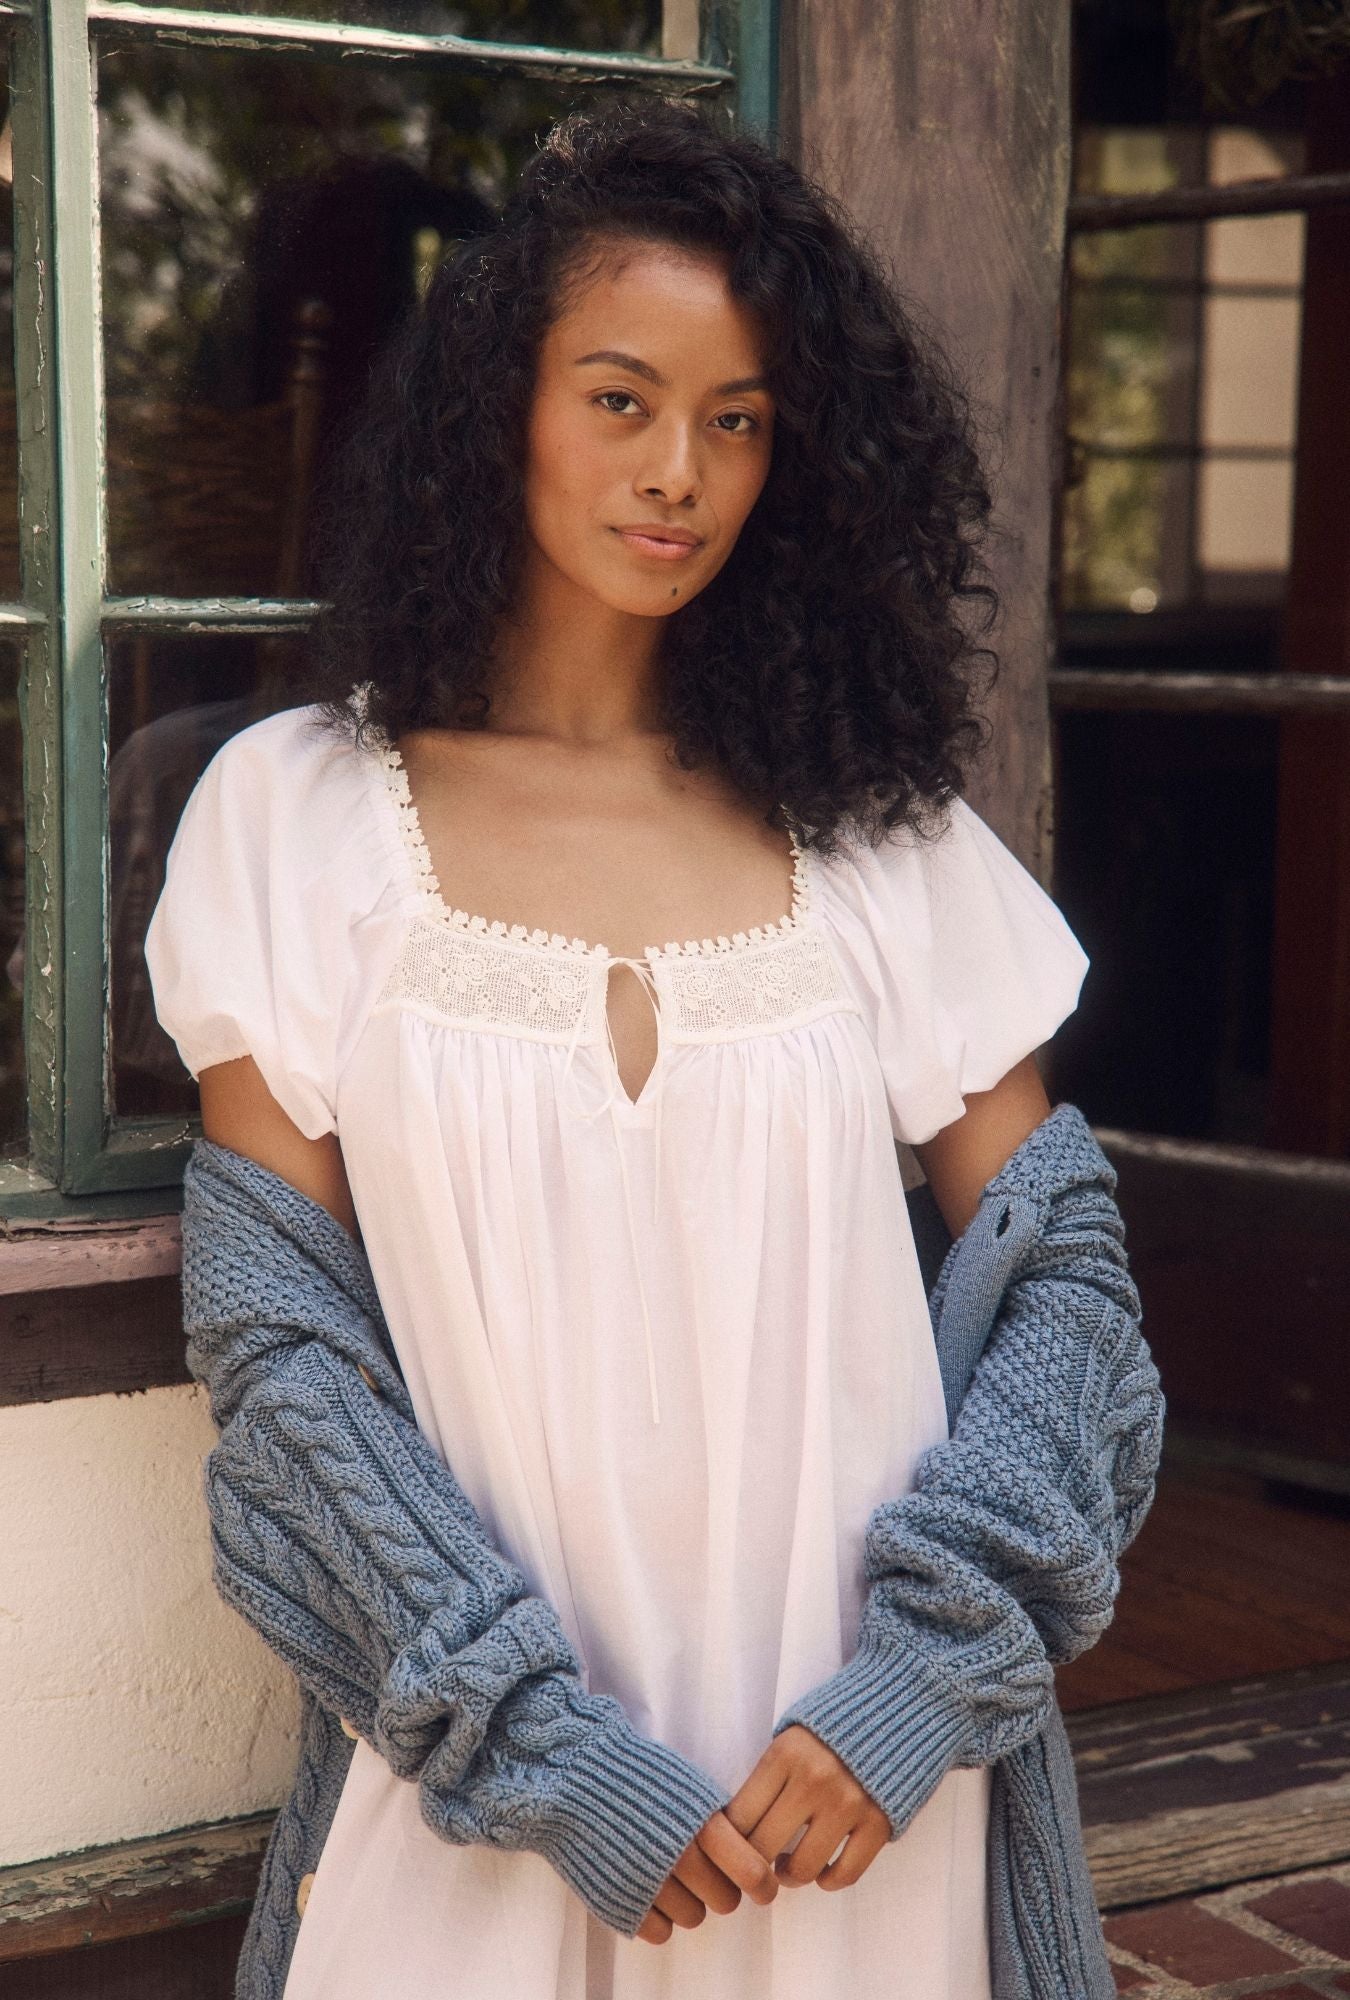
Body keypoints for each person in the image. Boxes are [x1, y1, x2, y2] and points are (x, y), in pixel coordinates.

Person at [146, 99, 1096, 1998]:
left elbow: (1062, 1294)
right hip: (488, 1787)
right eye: (620, 399)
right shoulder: (297, 812)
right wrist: (539, 1755)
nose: (680, 471)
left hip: (852, 1802)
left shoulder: (883, 834)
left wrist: (911, 1697)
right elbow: (282, 1358)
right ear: (500, 402)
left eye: (736, 418)